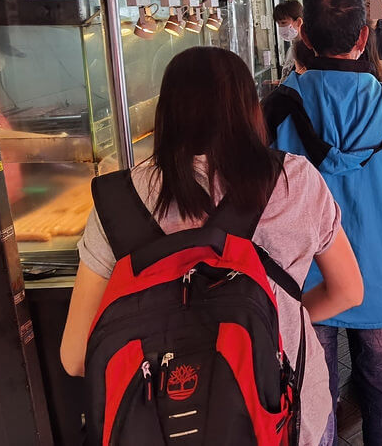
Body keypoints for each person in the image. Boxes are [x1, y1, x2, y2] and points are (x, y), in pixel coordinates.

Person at [60, 47, 364, 446]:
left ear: (166, 114)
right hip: (285, 419)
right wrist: (274, 319)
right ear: (249, 109)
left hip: (162, 427)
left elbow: (76, 356)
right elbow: (349, 291)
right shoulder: (296, 180)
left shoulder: (116, 201)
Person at [261, 0, 382, 446]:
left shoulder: (276, 108)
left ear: (305, 38)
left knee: (313, 396)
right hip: (379, 275)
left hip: (302, 286)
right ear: (362, 38)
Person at [274, 0, 304, 80]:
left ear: (298, 22)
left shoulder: (308, 51)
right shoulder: (292, 49)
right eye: (278, 24)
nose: (281, 27)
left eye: (283, 23)